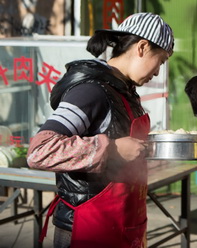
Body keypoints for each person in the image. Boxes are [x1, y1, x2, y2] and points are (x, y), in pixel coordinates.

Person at [27, 12, 174, 248]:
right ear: (142, 47)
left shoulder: (124, 91)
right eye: (161, 61)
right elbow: (40, 151)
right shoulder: (91, 91)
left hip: (124, 224)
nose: (158, 72)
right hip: (87, 228)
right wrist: (112, 149)